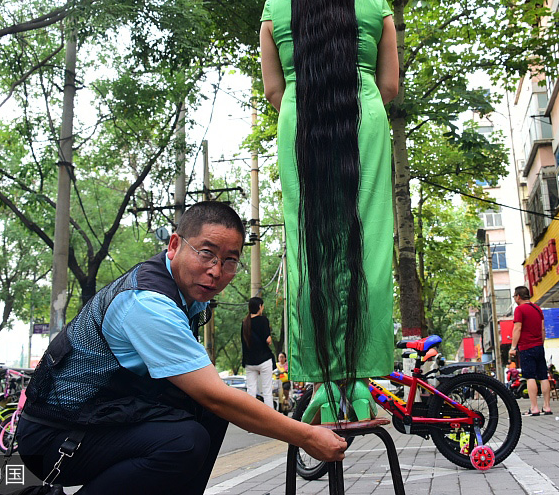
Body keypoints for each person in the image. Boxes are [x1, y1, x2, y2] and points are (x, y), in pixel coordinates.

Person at [17, 201, 346, 494]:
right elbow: (215, 394)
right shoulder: (147, 302)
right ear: (174, 245)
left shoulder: (186, 300)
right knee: (184, 442)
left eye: (229, 261)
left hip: (99, 420)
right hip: (56, 435)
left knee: (207, 418)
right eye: (206, 253)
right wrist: (305, 435)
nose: (216, 271)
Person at [259, 0, 398, 421]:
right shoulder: (374, 4)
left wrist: (305, 108)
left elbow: (274, 91)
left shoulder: (274, 9)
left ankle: (318, 386)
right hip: (363, 117)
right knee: (368, 244)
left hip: (300, 123)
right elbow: (389, 86)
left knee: (309, 246)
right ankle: (361, 384)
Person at [509, 286, 551, 416]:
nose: (515, 299)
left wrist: (513, 347)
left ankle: (534, 408)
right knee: (543, 376)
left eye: (514, 296)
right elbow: (543, 329)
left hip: (526, 347)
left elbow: (517, 328)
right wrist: (541, 343)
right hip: (539, 346)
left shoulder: (519, 309)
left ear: (518, 296)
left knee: (530, 377)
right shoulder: (537, 308)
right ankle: (547, 407)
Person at [241, 296, 274, 409]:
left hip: (249, 362)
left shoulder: (244, 323)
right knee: (267, 391)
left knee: (251, 390)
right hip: (264, 360)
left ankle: (251, 416)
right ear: (259, 306)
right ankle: (271, 418)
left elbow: (244, 343)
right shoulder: (263, 320)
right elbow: (268, 340)